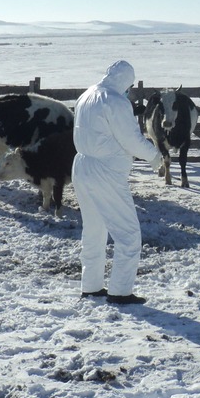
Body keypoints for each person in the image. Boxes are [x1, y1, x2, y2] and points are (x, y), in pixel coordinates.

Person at [72, 60, 163, 305]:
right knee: (128, 234)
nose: (129, 90)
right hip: (106, 171)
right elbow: (130, 139)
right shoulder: (115, 101)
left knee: (94, 230)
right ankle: (120, 292)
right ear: (124, 80)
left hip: (82, 166)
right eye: (130, 85)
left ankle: (91, 286)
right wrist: (154, 155)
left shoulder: (87, 95)